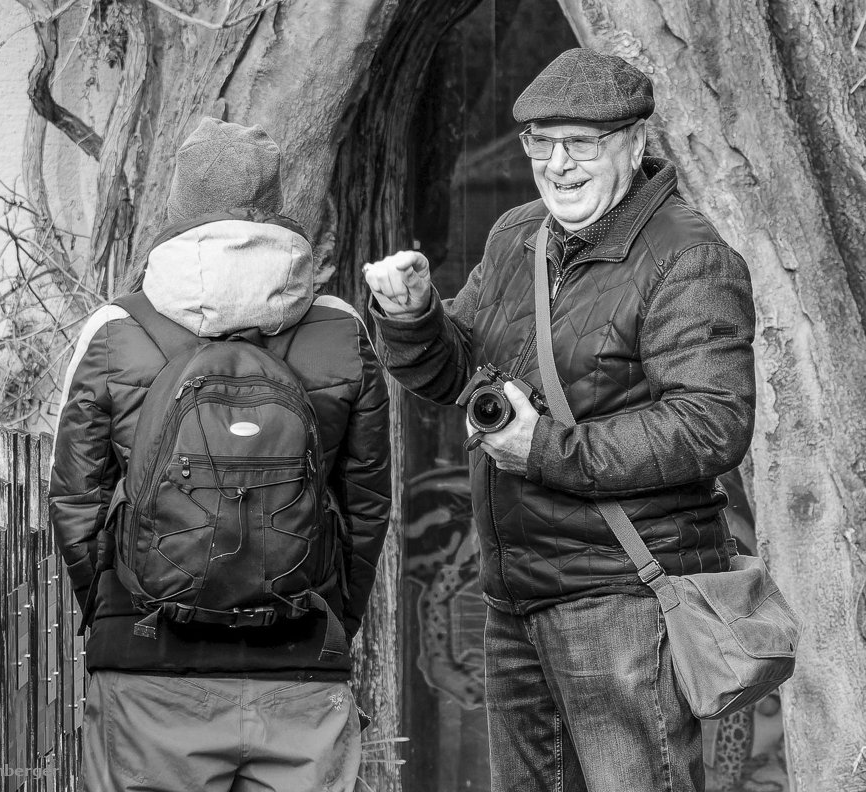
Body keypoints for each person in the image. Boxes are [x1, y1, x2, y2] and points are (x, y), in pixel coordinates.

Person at [364, 48, 756, 791]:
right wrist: (413, 318)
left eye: (581, 143)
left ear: (635, 143)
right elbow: (456, 372)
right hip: (515, 595)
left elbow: (711, 425)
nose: (558, 164)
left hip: (626, 597)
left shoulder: (690, 257)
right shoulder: (518, 234)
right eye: (541, 142)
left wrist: (544, 447)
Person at [50, 117, 391, 792]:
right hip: (301, 671)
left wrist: (118, 613)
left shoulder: (116, 331)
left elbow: (74, 503)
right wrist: (334, 622)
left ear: (177, 209)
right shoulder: (341, 331)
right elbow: (367, 508)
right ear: (278, 208)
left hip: (148, 677)